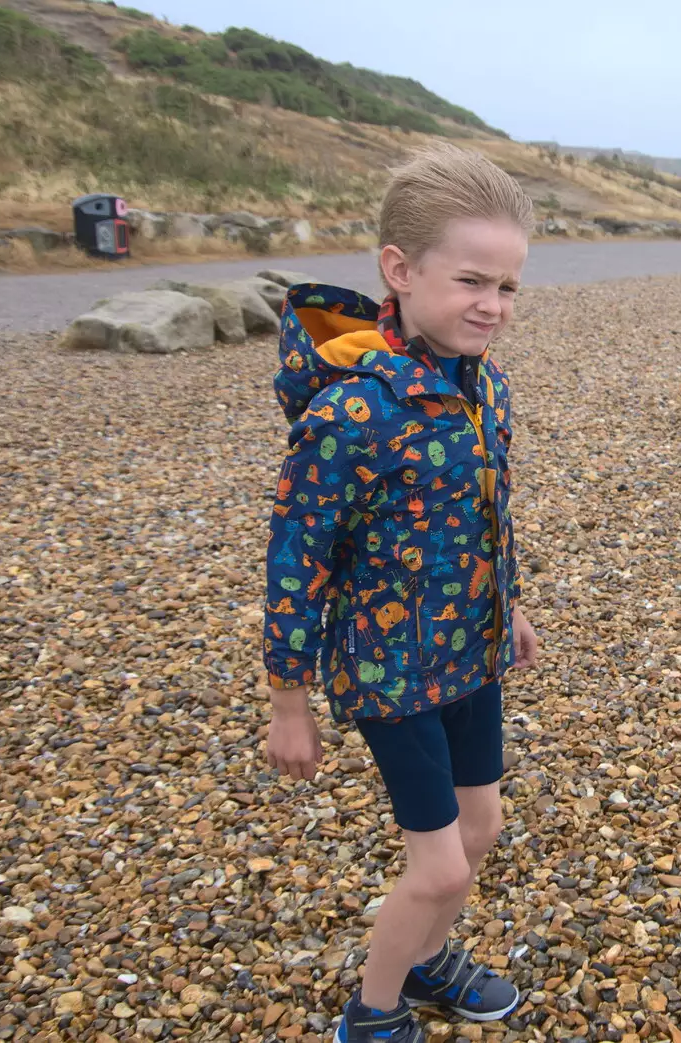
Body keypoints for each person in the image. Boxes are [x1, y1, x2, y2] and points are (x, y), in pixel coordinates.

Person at [260, 142, 540, 1043]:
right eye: (470, 281)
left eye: (506, 287)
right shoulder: (350, 413)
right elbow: (297, 561)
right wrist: (288, 700)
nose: (491, 306)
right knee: (442, 868)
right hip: (388, 672)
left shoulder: (482, 386)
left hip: (472, 649)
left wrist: (512, 607)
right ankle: (371, 1015)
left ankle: (426, 961)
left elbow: (485, 514)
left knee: (483, 825)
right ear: (400, 270)